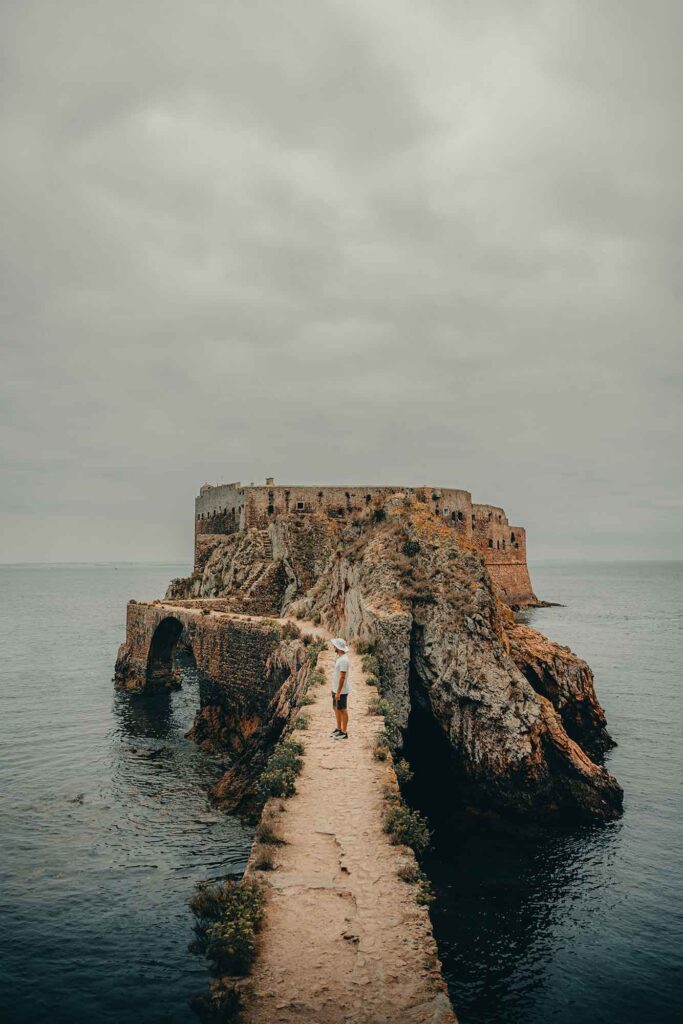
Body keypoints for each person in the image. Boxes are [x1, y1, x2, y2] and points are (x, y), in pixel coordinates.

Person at [330, 638, 350, 740]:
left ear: (338, 648)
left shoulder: (344, 660)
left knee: (342, 710)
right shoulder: (340, 658)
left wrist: (338, 692)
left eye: (335, 646)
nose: (333, 647)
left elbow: (342, 677)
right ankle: (338, 729)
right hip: (335, 689)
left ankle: (344, 732)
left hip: (341, 691)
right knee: (336, 708)